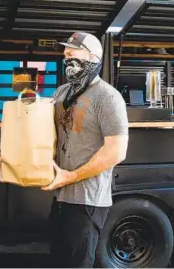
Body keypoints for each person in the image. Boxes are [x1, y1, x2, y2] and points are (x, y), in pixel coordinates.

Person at [43, 32, 129, 267]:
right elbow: (40, 133)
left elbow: (116, 151)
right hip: (60, 197)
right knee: (59, 260)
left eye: (72, 52)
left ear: (92, 57)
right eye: (64, 54)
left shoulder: (108, 98)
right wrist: (14, 156)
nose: (66, 57)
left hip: (88, 201)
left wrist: (69, 177)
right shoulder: (61, 93)